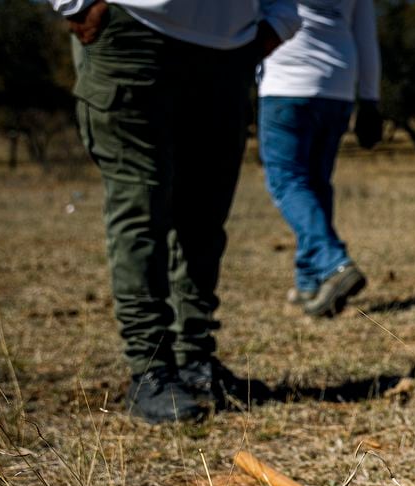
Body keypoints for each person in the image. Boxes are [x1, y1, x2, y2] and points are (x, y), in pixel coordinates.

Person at [56, 0, 300, 423]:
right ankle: (150, 370)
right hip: (133, 29)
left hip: (230, 47)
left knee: (205, 217)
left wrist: (281, 19)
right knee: (142, 211)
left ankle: (195, 360)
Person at [257, 0, 382, 318]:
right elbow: (365, 36)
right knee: (314, 183)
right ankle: (309, 282)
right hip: (337, 85)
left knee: (287, 181)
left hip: (286, 80)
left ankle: (332, 264)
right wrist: (370, 99)